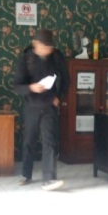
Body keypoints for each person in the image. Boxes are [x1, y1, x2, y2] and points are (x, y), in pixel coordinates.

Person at [14, 28, 69, 190]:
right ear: (36, 44)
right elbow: (16, 86)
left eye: (50, 47)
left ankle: (49, 179)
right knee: (29, 141)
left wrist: (60, 97)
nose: (48, 50)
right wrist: (31, 87)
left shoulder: (56, 56)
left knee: (49, 141)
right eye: (45, 47)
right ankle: (26, 174)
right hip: (32, 105)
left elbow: (66, 78)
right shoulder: (25, 59)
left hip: (50, 105)